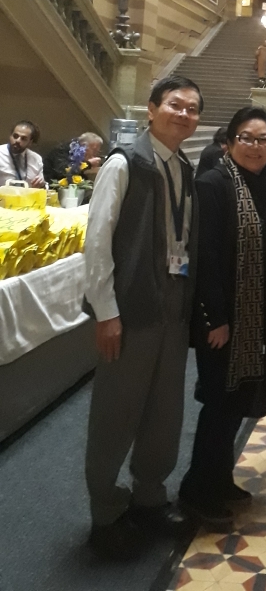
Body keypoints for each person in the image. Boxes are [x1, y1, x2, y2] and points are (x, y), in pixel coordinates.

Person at [82, 75, 203, 559]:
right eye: (175, 105)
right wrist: (106, 312)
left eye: (192, 109)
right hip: (130, 309)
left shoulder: (183, 167)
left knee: (164, 411)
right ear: (151, 109)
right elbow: (97, 240)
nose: (184, 114)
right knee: (116, 412)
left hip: (172, 305)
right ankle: (106, 511)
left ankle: (149, 496)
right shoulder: (123, 163)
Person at [179, 107, 266, 529]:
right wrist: (216, 318)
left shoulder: (265, 185)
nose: (255, 146)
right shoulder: (214, 185)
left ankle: (219, 479)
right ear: (229, 143)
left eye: (263, 140)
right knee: (219, 404)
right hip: (224, 318)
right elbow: (205, 257)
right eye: (246, 138)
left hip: (255, 314)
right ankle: (196, 492)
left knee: (236, 402)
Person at [0, 120, 44, 187]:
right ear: (10, 136)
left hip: (28, 193)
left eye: (23, 138)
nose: (17, 140)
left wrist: (42, 184)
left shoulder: (36, 159)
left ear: (30, 142)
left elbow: (42, 185)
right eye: (15, 136)